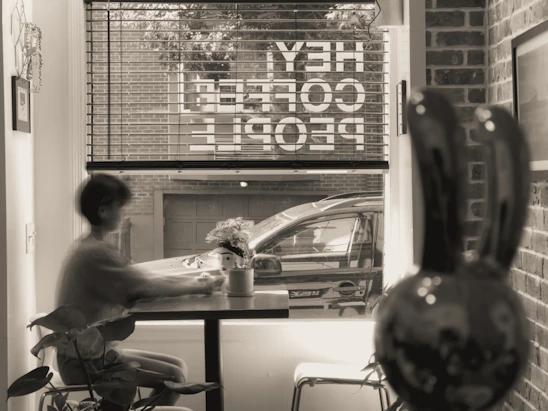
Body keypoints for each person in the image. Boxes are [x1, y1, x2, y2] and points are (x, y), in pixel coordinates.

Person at [55, 173, 223, 407]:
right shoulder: (95, 253)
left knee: (178, 368)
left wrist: (196, 279)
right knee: (174, 378)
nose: (124, 214)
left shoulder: (91, 246)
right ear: (104, 211)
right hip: (84, 361)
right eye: (120, 207)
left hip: (87, 355)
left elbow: (139, 279)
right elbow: (144, 286)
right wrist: (199, 286)